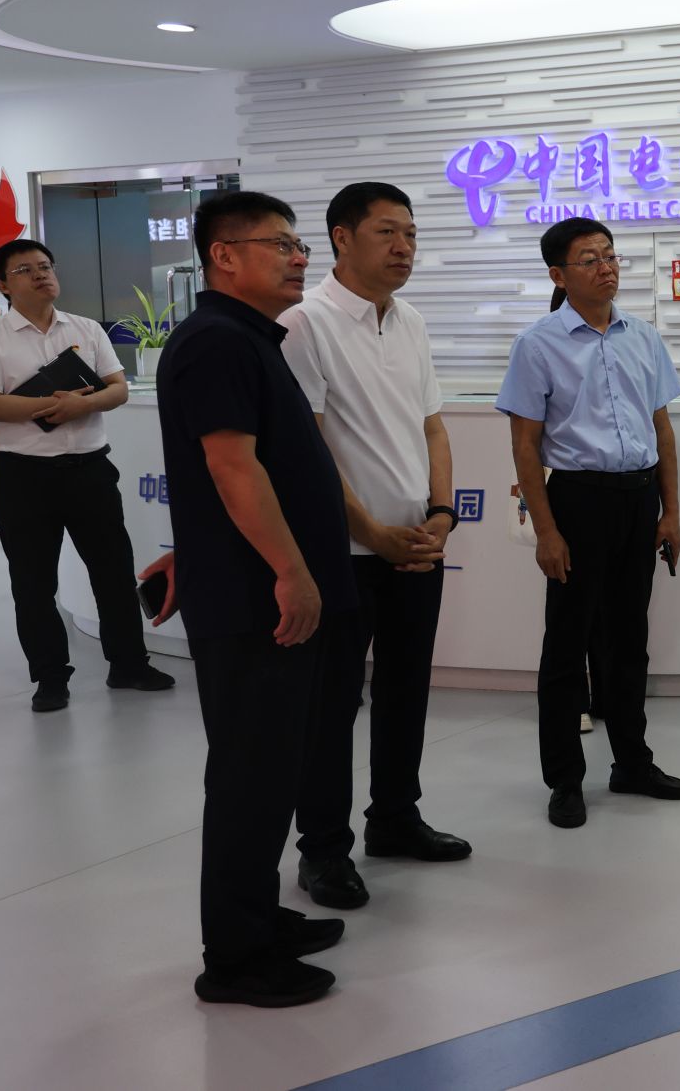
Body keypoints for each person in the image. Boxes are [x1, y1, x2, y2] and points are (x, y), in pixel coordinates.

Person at [146, 191, 356, 1006]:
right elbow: (233, 467)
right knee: (249, 776)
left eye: (300, 245)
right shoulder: (216, 342)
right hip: (253, 601)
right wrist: (292, 572)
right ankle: (234, 957)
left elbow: (231, 472)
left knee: (273, 771)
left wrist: (194, 544)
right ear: (224, 255)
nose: (300, 257)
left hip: (253, 583)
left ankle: (259, 917)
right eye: (281, 244)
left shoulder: (246, 339)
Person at [277, 182, 471, 912]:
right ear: (341, 237)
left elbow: (432, 426)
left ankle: (394, 817)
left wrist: (442, 512)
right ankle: (323, 850)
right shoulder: (305, 324)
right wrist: (370, 532)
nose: (403, 247)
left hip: (416, 546)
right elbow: (309, 448)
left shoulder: (410, 320)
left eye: (411, 234)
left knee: (405, 689)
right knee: (331, 706)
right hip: (345, 555)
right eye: (388, 232)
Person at [496, 217, 680, 829]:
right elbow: (525, 446)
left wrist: (670, 511)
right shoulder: (537, 345)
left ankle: (632, 762)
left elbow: (662, 429)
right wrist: (547, 531)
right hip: (577, 502)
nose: (606, 268)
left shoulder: (643, 337)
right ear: (559, 275)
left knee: (629, 638)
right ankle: (565, 780)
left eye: (610, 255)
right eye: (589, 259)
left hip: (638, 499)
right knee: (567, 643)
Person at [0, 238, 175, 711]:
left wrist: (82, 404)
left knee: (113, 572)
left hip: (90, 470)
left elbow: (117, 389)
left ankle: (128, 664)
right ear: (3, 285)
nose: (41, 274)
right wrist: (53, 405)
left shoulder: (85, 329)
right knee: (33, 582)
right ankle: (51, 677)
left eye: (45, 265)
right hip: (22, 476)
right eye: (26, 270)